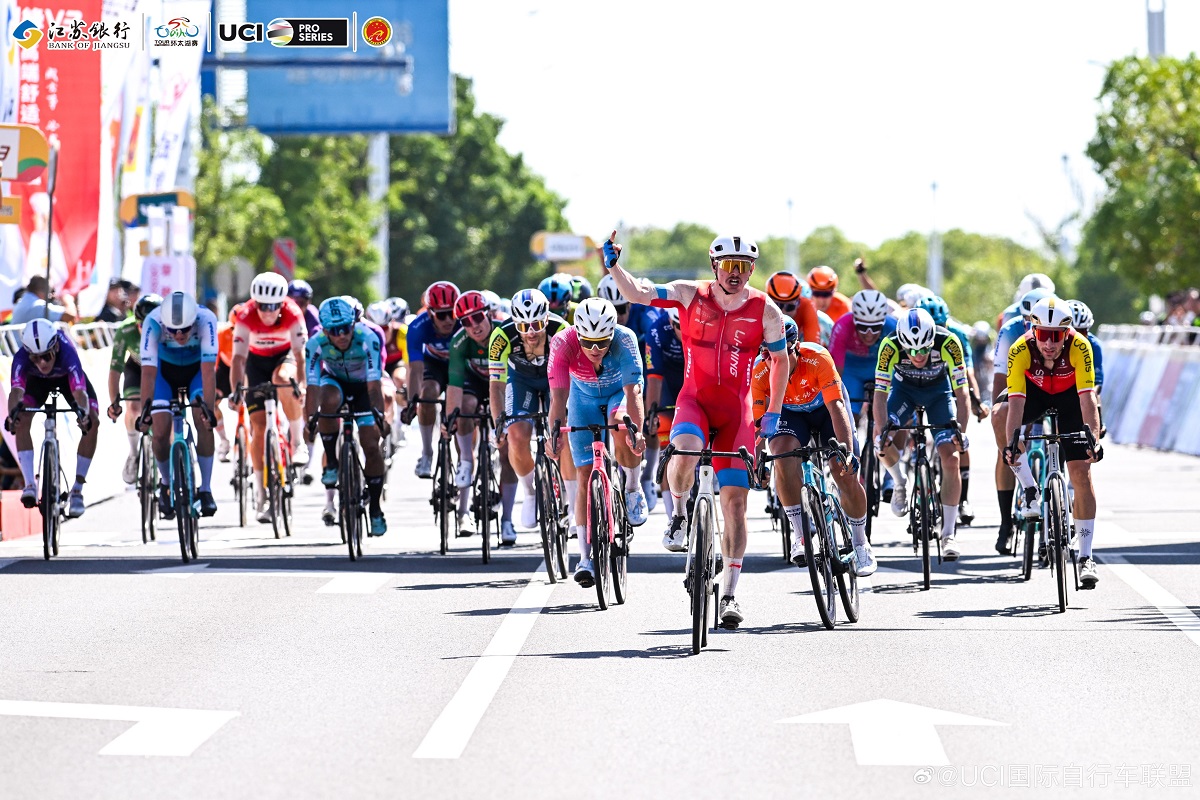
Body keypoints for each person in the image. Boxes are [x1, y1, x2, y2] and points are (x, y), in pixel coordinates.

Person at [603, 231, 789, 629]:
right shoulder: (690, 294)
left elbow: (780, 362)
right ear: (714, 265)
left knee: (736, 503)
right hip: (694, 401)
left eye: (744, 267)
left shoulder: (765, 310)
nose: (736, 273)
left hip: (736, 414)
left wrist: (771, 412)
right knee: (684, 450)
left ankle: (731, 594)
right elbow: (638, 293)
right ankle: (680, 516)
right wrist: (615, 266)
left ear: (752, 269)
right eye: (729, 265)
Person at [752, 317, 876, 575]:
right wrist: (757, 460)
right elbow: (760, 422)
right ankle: (800, 536)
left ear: (795, 346)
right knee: (782, 458)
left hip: (826, 410)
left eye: (781, 352)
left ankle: (860, 543)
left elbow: (837, 407)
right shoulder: (761, 371)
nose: (774, 359)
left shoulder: (817, 358)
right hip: (790, 415)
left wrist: (848, 454)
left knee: (843, 470)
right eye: (766, 352)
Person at [548, 297, 648, 587]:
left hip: (618, 395)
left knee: (621, 424)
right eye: (588, 342)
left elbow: (634, 394)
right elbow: (558, 399)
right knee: (582, 475)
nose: (595, 349)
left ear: (612, 334)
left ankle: (631, 485)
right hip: (583, 399)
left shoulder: (626, 340)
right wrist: (553, 436)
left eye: (602, 342)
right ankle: (584, 558)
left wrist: (637, 432)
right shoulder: (562, 343)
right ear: (577, 333)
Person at [1003, 296, 1102, 588]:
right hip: (1034, 395)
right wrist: (1012, 442)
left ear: (1066, 333)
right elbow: (1016, 404)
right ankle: (1029, 487)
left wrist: (1092, 440)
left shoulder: (1079, 346)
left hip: (1071, 398)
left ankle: (1086, 556)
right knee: (1000, 416)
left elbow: (1088, 398)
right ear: (1034, 331)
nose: (1049, 343)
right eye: (1043, 336)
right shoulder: (1019, 348)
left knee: (1082, 474)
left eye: (1056, 337)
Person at [873, 308, 970, 559]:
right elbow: (880, 395)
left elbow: (962, 393)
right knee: (880, 441)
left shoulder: (949, 342)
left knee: (951, 458)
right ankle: (900, 481)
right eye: (912, 351)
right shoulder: (889, 345)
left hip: (939, 394)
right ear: (902, 344)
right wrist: (883, 430)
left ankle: (949, 533)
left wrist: (961, 432)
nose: (918, 356)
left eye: (924, 349)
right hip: (904, 393)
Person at [489, 289, 575, 536]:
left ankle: (570, 500)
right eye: (523, 326)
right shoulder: (501, 336)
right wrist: (499, 423)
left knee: (564, 432)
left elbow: (572, 377)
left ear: (546, 319)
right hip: (521, 381)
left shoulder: (561, 331)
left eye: (537, 324)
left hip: (554, 380)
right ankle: (529, 492)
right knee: (516, 435)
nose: (531, 332)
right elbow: (496, 385)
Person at [305, 297, 389, 535]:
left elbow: (375, 386)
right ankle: (331, 461)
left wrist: (379, 417)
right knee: (327, 399)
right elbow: (312, 387)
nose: (341, 335)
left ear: (354, 324)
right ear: (324, 329)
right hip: (335, 383)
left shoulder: (368, 338)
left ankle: (374, 508)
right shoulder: (315, 343)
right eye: (334, 331)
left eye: (346, 328)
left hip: (365, 387)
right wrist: (310, 420)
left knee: (371, 445)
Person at [230, 273, 310, 522]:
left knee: (282, 379)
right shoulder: (245, 315)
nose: (267, 312)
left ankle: (297, 442)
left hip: (283, 358)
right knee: (258, 429)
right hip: (255, 362)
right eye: (263, 306)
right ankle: (262, 493)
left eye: (273, 306)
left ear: (282, 304)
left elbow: (299, 355)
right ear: (255, 303)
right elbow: (238, 359)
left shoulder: (293, 313)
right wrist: (235, 390)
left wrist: (303, 385)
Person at [5, 319, 99, 515]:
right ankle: (30, 484)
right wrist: (13, 415)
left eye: (46, 356)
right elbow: (16, 391)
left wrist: (83, 415)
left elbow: (80, 393)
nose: (42, 363)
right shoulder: (21, 357)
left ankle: (77, 489)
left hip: (67, 382)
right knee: (20, 419)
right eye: (35, 358)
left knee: (93, 421)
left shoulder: (67, 353)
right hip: (36, 385)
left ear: (55, 347)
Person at [446, 290, 519, 543]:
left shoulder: (505, 332)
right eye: (466, 321)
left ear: (488, 313)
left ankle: (508, 520)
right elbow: (454, 386)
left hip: (504, 385)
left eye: (477, 317)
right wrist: (449, 419)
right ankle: (467, 460)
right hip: (475, 385)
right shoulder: (459, 342)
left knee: (508, 453)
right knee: (464, 406)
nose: (474, 326)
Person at [139, 292, 220, 518]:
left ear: (193, 321)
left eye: (185, 329)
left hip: (196, 372)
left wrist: (209, 411)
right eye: (173, 331)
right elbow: (147, 374)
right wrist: (146, 410)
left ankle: (205, 489)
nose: (179, 335)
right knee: (161, 428)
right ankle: (165, 484)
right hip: (165, 375)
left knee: (202, 419)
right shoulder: (153, 322)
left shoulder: (206, 320)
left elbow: (208, 372)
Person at [918, 295, 991, 525]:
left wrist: (976, 399)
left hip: (950, 382)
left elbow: (968, 372)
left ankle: (963, 500)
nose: (937, 332)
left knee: (959, 436)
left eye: (941, 326)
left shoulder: (956, 335)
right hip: (919, 382)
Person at [989, 288, 1052, 553]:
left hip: (1052, 388)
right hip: (1021, 387)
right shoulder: (1011, 330)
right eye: (1029, 320)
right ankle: (1006, 523)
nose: (1032, 326)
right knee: (1006, 448)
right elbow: (1000, 380)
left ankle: (1060, 507)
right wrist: (999, 415)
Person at [402, 281, 461, 478]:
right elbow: (416, 369)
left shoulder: (465, 322)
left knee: (466, 407)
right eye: (441, 315)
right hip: (433, 364)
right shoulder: (418, 326)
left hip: (460, 365)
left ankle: (465, 460)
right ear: (429, 314)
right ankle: (427, 452)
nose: (447, 320)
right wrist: (412, 402)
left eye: (451, 313)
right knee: (427, 394)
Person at [106, 293, 163, 483]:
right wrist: (114, 401)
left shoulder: (168, 330)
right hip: (136, 368)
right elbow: (115, 369)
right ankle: (133, 453)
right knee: (134, 408)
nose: (146, 330)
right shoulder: (126, 330)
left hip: (161, 368)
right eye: (141, 325)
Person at [765, 271, 821, 344]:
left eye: (789, 307)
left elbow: (813, 345)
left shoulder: (807, 306)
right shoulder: (760, 304)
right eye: (777, 305)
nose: (783, 312)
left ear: (798, 303)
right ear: (768, 302)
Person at [10, 275, 77, 325]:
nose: (51, 295)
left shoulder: (23, 301)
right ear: (43, 291)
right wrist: (68, 300)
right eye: (51, 291)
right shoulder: (37, 306)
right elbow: (70, 315)